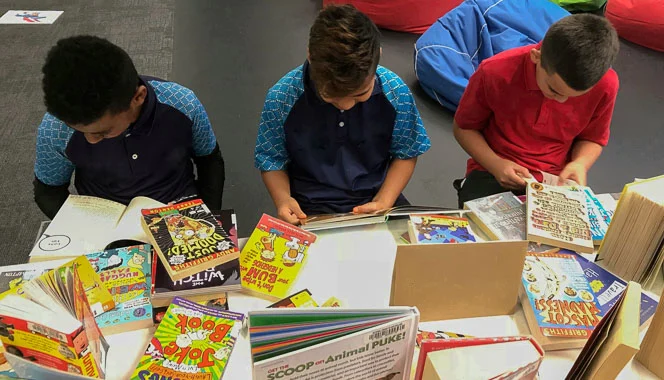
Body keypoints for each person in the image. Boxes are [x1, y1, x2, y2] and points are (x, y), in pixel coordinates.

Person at [254, 4, 431, 224]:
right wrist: (283, 200)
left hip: (375, 198)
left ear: (379, 57)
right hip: (307, 206)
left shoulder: (396, 93)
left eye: (360, 94)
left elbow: (406, 152)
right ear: (310, 56)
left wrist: (384, 200)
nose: (346, 105)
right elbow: (272, 159)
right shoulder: (282, 97)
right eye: (331, 96)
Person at [34, 35, 225, 218]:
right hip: (103, 221)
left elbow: (210, 160)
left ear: (138, 98)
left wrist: (209, 216)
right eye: (78, 130)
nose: (91, 140)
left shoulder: (183, 103)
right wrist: (85, 231)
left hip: (178, 211)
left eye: (102, 132)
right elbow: (49, 191)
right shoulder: (55, 127)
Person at [453, 14, 619, 207]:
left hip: (556, 180)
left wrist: (580, 163)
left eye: (575, 96)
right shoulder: (494, 71)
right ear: (536, 57)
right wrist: (496, 164)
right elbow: (463, 128)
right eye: (554, 90)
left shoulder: (607, 84)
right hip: (493, 170)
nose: (562, 100)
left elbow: (592, 138)